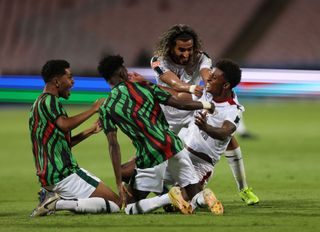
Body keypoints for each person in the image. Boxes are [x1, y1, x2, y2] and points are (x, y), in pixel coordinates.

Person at [97, 55, 223, 215]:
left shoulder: (107, 108)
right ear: (122, 72)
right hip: (173, 144)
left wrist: (117, 183)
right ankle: (203, 197)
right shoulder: (144, 87)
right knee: (193, 195)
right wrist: (206, 104)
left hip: (150, 154)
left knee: (129, 208)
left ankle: (167, 198)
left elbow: (113, 145)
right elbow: (178, 103)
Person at [151, 24, 259, 205]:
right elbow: (176, 87)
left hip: (193, 107)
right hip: (168, 115)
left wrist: (216, 84)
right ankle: (167, 192)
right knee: (149, 161)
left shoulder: (201, 57)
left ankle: (243, 188)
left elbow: (208, 75)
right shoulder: (158, 60)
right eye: (181, 50)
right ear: (170, 47)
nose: (186, 54)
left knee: (228, 138)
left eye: (189, 49)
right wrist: (194, 88)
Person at [29, 60, 121, 217]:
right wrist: (93, 109)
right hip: (64, 174)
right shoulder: (49, 100)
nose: (73, 82)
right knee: (117, 204)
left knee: (110, 203)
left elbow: (63, 143)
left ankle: (55, 199)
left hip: (51, 176)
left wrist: (89, 131)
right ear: (57, 81)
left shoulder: (39, 104)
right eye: (69, 77)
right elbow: (65, 125)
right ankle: (57, 203)